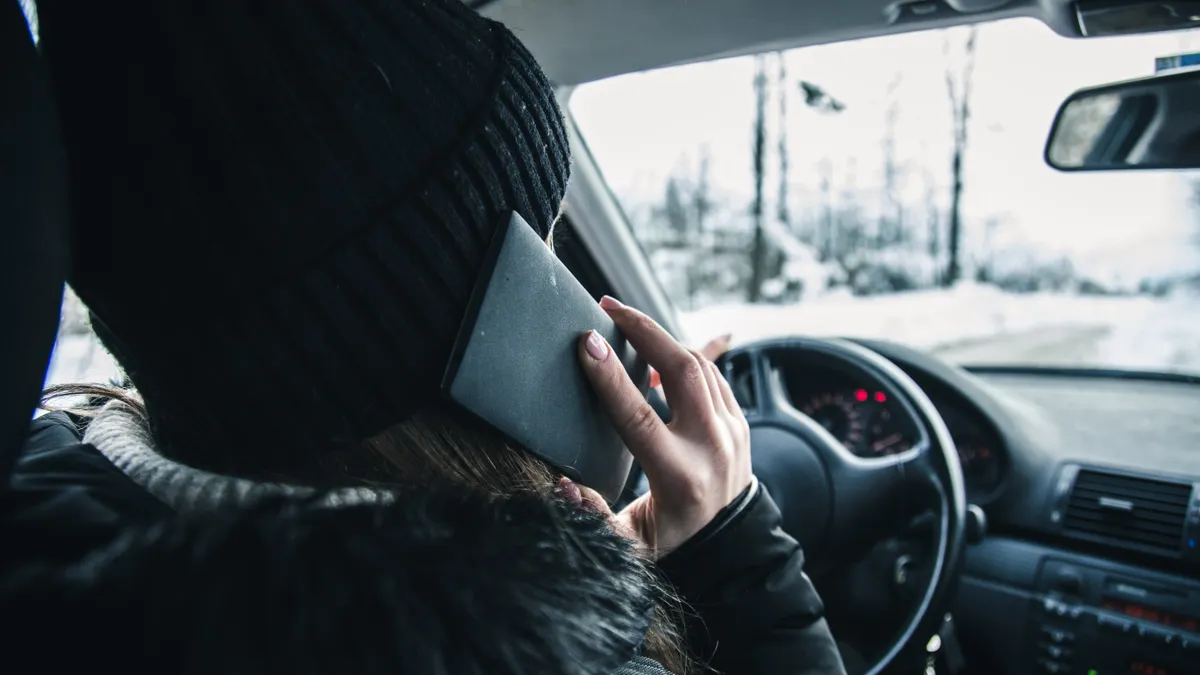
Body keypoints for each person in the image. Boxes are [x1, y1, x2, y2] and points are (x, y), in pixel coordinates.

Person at [15, 0, 846, 673]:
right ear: (443, 328)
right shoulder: (522, 645)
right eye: (544, 246)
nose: (582, 305)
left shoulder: (54, 514)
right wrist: (740, 564)